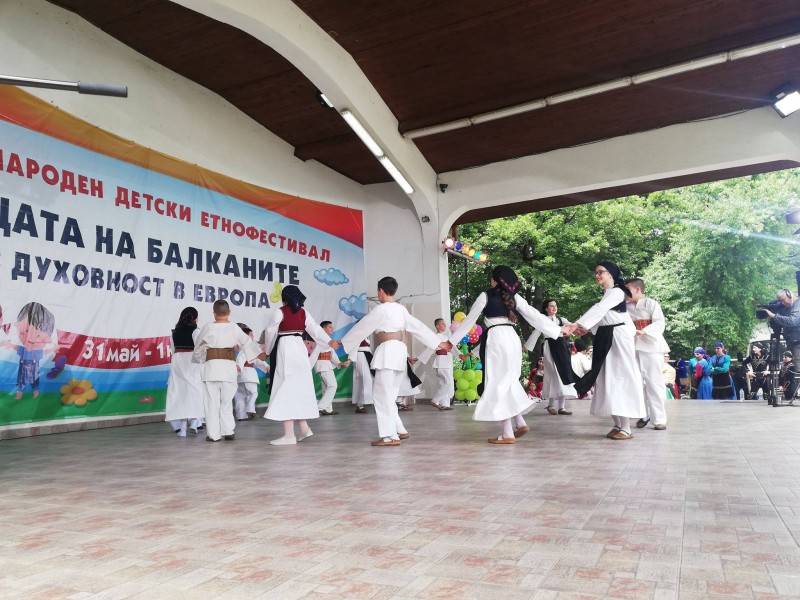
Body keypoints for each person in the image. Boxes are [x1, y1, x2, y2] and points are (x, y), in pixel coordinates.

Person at [449, 266, 569, 444]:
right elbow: (534, 315)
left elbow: (468, 321)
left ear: (495, 280)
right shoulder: (515, 297)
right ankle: (519, 423)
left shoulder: (486, 295)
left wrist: (451, 342)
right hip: (512, 339)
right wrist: (558, 330)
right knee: (508, 381)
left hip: (496, 339)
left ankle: (508, 433)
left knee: (497, 383)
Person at [337, 276, 445, 446]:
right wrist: (437, 342)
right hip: (399, 352)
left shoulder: (381, 309)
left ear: (380, 291)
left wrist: (343, 342)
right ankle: (399, 430)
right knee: (389, 395)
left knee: (381, 396)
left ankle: (389, 436)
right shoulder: (401, 309)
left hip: (387, 352)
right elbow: (418, 328)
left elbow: (362, 327)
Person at [563, 262, 645, 440]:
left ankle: (626, 428)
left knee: (620, 377)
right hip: (606, 336)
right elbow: (603, 316)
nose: (597, 275)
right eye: (596, 272)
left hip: (617, 338)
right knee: (607, 378)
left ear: (611, 274)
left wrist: (578, 324)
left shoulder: (617, 292)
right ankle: (618, 423)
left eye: (601, 272)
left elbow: (600, 310)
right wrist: (583, 328)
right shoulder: (608, 294)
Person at [263, 286, 335, 445]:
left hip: (285, 347)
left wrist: (267, 351)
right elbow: (315, 329)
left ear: (284, 298)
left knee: (285, 387)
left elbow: (270, 332)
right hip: (299, 348)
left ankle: (289, 435)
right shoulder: (304, 312)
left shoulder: (280, 312)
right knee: (298, 387)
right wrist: (329, 341)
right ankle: (304, 428)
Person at [192, 300, 265, 442]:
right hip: (228, 369)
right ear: (229, 312)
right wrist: (259, 355)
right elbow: (247, 343)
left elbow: (198, 348)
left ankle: (213, 435)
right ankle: (228, 431)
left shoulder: (207, 327)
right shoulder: (234, 328)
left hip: (211, 369)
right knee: (226, 402)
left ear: (214, 314)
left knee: (211, 403)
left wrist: (200, 359)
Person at [625, 278, 670, 431]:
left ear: (637, 289)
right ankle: (643, 414)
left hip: (651, 346)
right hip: (632, 346)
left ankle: (659, 418)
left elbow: (659, 323)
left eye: (628, 289)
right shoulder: (625, 307)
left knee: (653, 382)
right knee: (636, 382)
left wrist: (644, 331)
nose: (625, 293)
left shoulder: (651, 304)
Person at [524, 299, 577, 416]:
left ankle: (562, 407)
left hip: (562, 347)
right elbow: (535, 334)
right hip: (550, 347)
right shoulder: (543, 320)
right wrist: (526, 347)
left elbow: (572, 326)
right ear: (546, 308)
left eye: (555, 306)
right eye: (551, 306)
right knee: (553, 374)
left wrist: (580, 329)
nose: (554, 308)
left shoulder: (561, 320)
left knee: (563, 374)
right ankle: (551, 404)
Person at [165, 307, 205, 437]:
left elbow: (173, 350)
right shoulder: (196, 331)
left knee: (180, 394)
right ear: (195, 318)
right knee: (196, 393)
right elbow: (200, 350)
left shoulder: (174, 332)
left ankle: (182, 430)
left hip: (178, 363)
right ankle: (194, 422)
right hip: (192, 362)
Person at [310, 320, 351, 416]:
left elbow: (332, 354)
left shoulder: (328, 340)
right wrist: (308, 366)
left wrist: (339, 363)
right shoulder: (320, 340)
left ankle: (327, 409)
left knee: (326, 388)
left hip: (326, 365)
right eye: (329, 327)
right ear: (323, 329)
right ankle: (319, 408)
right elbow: (314, 355)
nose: (332, 328)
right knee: (333, 386)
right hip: (323, 365)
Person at [418, 318, 460, 410]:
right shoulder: (435, 337)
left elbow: (452, 349)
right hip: (441, 362)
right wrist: (418, 358)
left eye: (445, 324)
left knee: (443, 383)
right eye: (442, 324)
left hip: (447, 362)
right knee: (447, 382)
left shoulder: (445, 338)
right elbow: (429, 349)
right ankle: (435, 400)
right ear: (437, 326)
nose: (445, 325)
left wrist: (460, 355)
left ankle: (444, 404)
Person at [233, 323, 270, 421]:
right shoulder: (247, 349)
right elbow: (256, 360)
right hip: (248, 375)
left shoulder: (239, 348)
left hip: (239, 377)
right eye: (251, 335)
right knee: (253, 393)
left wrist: (266, 366)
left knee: (240, 396)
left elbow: (256, 360)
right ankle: (250, 409)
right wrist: (266, 366)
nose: (253, 337)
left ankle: (241, 415)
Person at [766, 288, 800, 359]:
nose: (783, 303)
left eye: (783, 300)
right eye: (780, 301)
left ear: (790, 295)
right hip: (792, 342)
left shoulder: (798, 305)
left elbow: (792, 321)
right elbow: (779, 325)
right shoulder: (788, 307)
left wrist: (774, 316)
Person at [351, 337, 374, 413]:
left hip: (367, 355)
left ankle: (360, 404)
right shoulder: (357, 334)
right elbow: (353, 346)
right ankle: (360, 405)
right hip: (360, 355)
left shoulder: (366, 335)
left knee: (368, 379)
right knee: (364, 379)